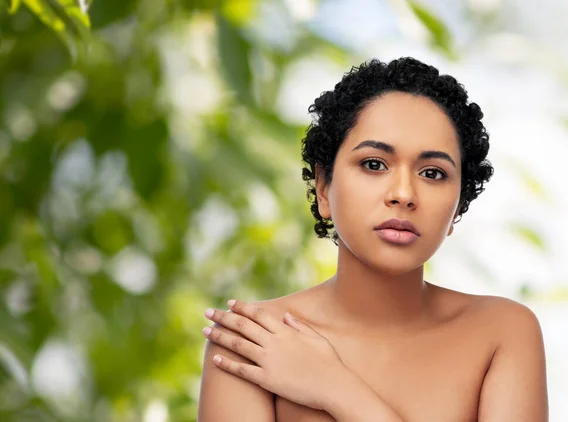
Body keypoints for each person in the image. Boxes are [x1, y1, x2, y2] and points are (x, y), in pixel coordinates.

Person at [197, 57, 549, 421]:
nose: (403, 193)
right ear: (323, 187)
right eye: (374, 164)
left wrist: (335, 387)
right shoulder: (253, 343)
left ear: (458, 207)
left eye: (432, 173)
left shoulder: (502, 333)